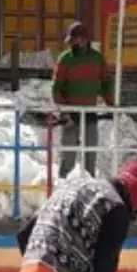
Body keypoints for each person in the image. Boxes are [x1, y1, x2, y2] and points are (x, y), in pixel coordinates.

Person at [17, 160, 137, 272]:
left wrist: (41, 269)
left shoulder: (73, 185)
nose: (136, 218)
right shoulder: (115, 208)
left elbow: (24, 234)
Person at [52, 21, 113, 177]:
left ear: (84, 39)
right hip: (70, 114)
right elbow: (56, 88)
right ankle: (62, 189)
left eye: (74, 40)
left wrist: (111, 105)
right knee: (68, 158)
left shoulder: (97, 59)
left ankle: (90, 190)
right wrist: (64, 113)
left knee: (90, 157)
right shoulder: (65, 59)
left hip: (90, 114)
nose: (71, 43)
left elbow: (106, 83)